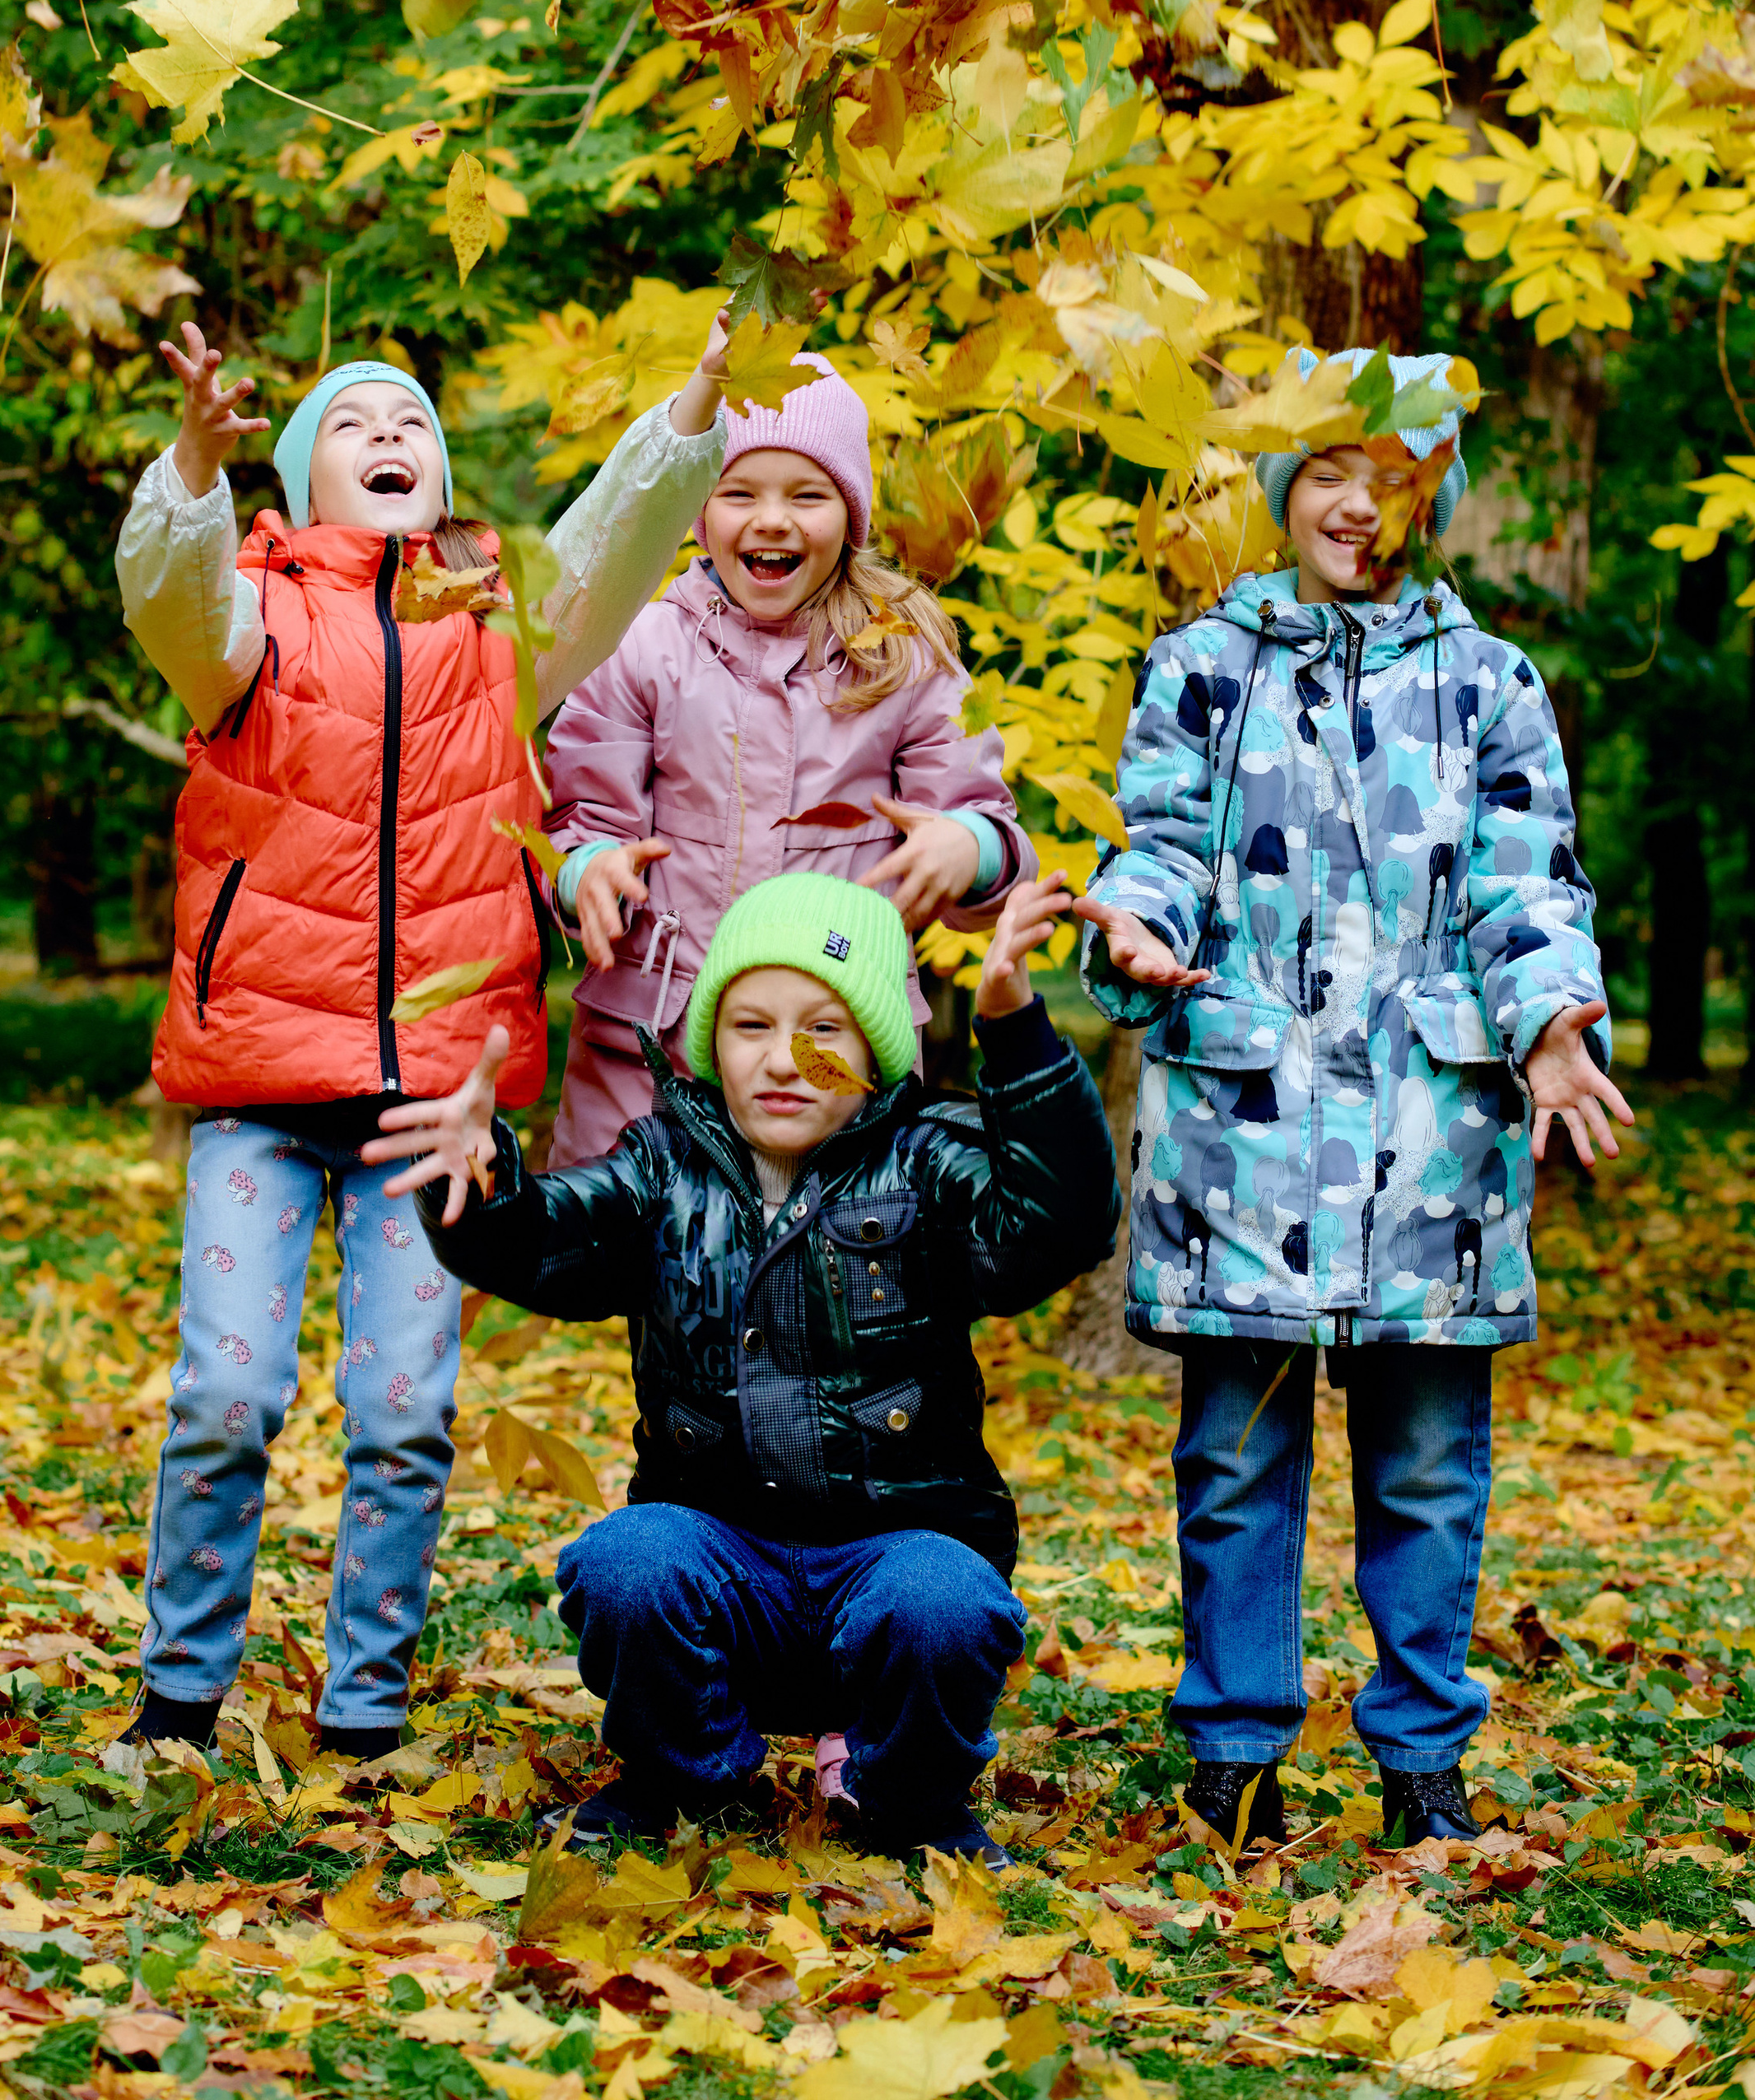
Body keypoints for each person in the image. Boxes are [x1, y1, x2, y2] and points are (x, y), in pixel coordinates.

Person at [107, 317, 731, 1762]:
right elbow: (170, 595)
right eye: (353, 421)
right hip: (262, 1084)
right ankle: (178, 1698)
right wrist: (191, 470)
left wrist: (701, 399)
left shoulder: (502, 617)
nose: (389, 436)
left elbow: (622, 533)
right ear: (301, 474)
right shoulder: (249, 619)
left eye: (411, 422)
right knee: (225, 1391)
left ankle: (366, 1709)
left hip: (434, 1102)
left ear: (438, 472)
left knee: (402, 1417)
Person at [1073, 347, 1632, 1853]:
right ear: (1281, 490)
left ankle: (1420, 1761)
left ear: (1428, 496)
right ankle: (1236, 1754)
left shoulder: (1492, 686)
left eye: (1390, 480)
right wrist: (1135, 925)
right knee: (1236, 1462)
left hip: (1431, 1153)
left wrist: (1556, 1025)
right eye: (1327, 473)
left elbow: (1529, 888)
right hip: (1241, 1145)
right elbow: (1166, 843)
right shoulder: (1202, 665)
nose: (1357, 507)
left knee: (1432, 1475)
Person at [363, 866, 1119, 1864]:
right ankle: (683, 1777)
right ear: (711, 1042)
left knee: (946, 1598)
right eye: (751, 1026)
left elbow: (1056, 1227)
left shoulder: (925, 1161)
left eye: (824, 1030)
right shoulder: (662, 1163)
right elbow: (547, 1240)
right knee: (627, 1562)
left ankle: (907, 1799)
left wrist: (1015, 1027)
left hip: (891, 1568)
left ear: (875, 1052)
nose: (784, 1059)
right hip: (727, 1570)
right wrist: (488, 1186)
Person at [542, 354, 1026, 1166]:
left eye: (806, 494)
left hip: (831, 1060)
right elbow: (577, 817)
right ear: (699, 509)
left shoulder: (901, 654)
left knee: (820, 1274)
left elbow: (987, 825)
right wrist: (584, 870)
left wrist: (966, 847)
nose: (771, 519)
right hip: (656, 1050)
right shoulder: (643, 642)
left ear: (850, 512)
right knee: (658, 1269)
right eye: (739, 492)